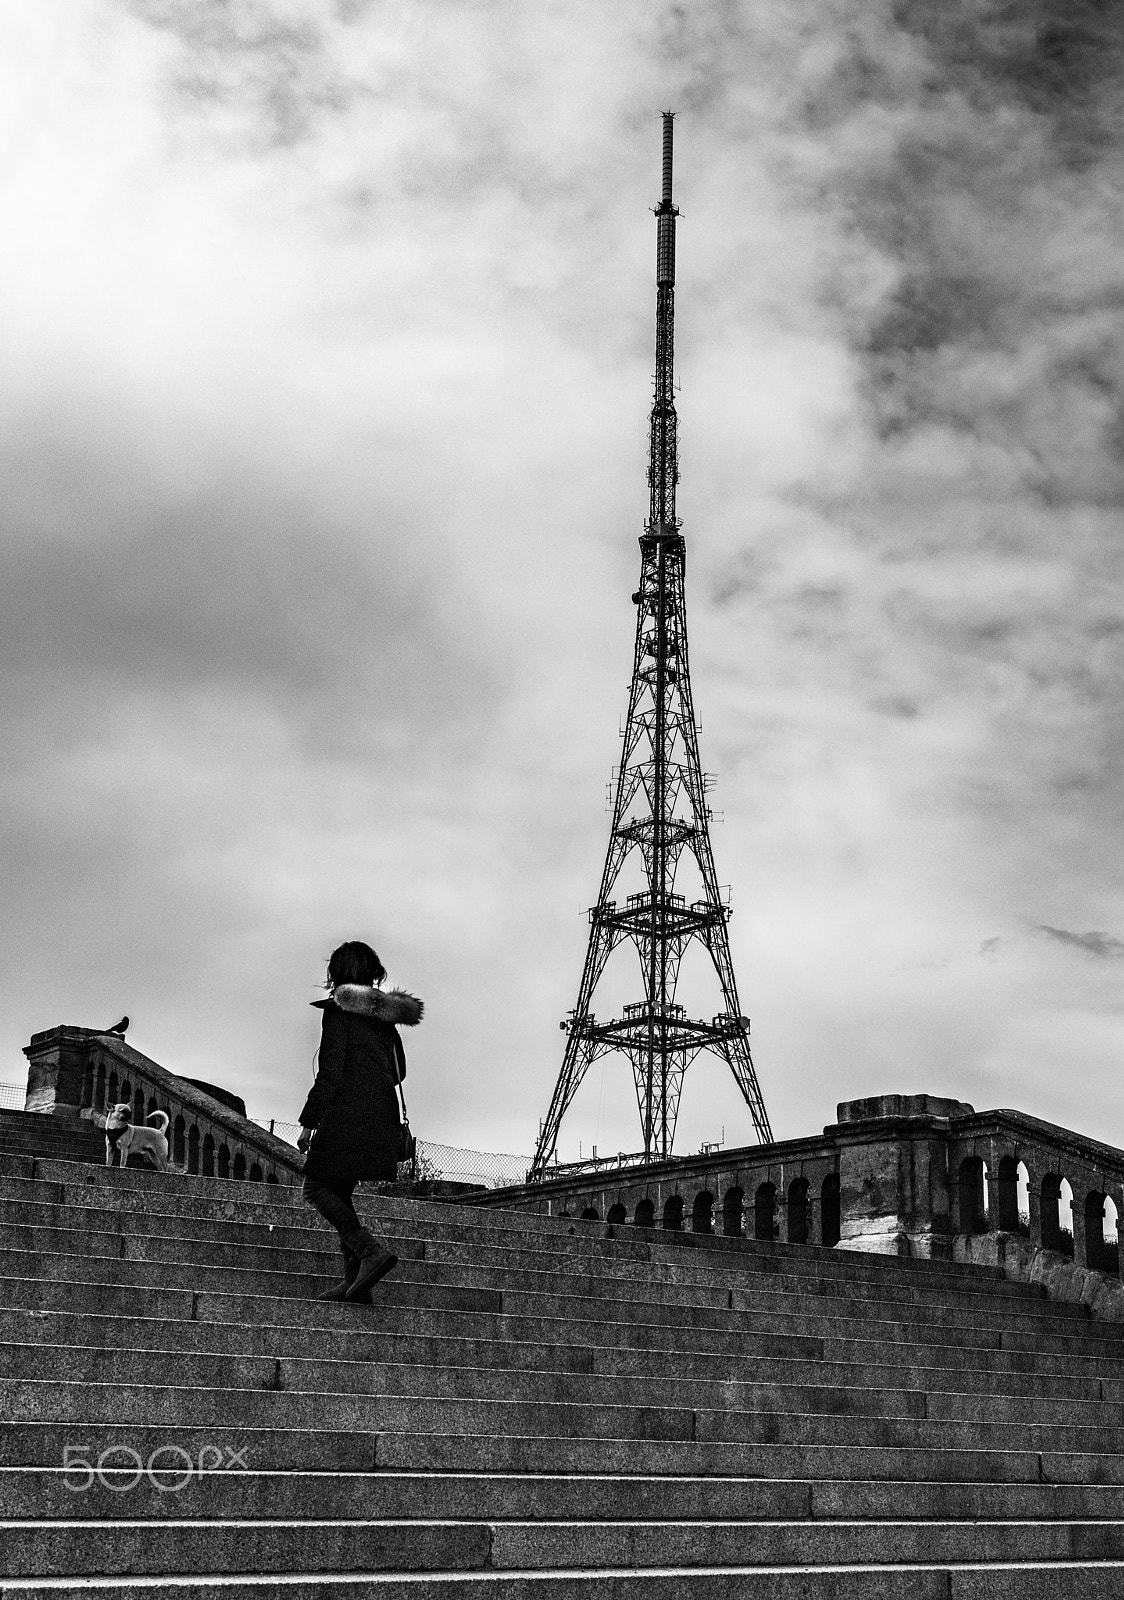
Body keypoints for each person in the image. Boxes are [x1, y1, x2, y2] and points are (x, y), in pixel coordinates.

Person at [297, 940, 423, 1302]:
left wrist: (309, 1122)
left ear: (337, 974)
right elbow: (399, 1073)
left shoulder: (338, 1013)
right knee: (339, 1192)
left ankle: (369, 1252)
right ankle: (355, 1282)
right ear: (373, 975)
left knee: (316, 1188)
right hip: (380, 1117)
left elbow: (331, 1074)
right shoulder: (385, 1021)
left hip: (346, 1115)